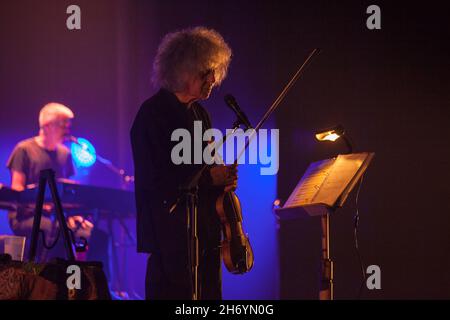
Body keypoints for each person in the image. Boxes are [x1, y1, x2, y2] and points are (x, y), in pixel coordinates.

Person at [130, 27, 237, 300]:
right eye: (205, 73)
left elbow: (208, 164)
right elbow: (156, 180)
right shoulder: (152, 115)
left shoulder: (200, 113)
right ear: (182, 71)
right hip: (171, 236)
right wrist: (208, 178)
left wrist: (223, 178)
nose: (213, 79)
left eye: (215, 71)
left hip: (207, 233)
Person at [6, 102, 106, 267]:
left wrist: (75, 216)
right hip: (26, 216)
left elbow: (67, 195)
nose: (68, 130)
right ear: (46, 125)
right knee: (55, 230)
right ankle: (46, 281)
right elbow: (18, 190)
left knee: (94, 234)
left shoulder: (64, 154)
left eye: (69, 125)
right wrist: (46, 207)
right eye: (63, 124)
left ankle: (91, 283)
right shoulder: (24, 149)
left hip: (58, 216)